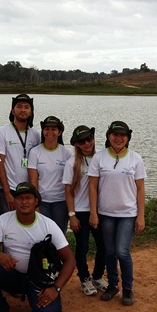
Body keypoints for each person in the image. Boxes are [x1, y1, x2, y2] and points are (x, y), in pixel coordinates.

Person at [0, 182, 76, 312]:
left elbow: (70, 260)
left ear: (36, 201)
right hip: (13, 274)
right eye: (19, 198)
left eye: (28, 197)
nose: (24, 201)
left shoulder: (48, 225)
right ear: (14, 201)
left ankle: (34, 299)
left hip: (38, 279)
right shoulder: (4, 220)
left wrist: (56, 288)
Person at [88, 121, 146, 306]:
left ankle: (128, 288)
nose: (118, 138)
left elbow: (140, 189)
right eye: (115, 134)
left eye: (122, 135)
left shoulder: (135, 159)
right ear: (108, 136)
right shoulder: (99, 157)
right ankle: (113, 285)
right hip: (106, 213)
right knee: (110, 251)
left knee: (122, 251)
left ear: (128, 137)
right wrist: (93, 213)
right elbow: (92, 185)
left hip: (128, 213)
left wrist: (141, 216)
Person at [62, 125, 107, 296]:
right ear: (77, 144)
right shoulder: (71, 163)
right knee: (82, 247)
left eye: (89, 139)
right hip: (80, 211)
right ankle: (84, 278)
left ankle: (97, 276)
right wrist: (72, 215)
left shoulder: (102, 157)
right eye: (82, 141)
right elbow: (68, 191)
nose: (87, 143)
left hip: (99, 210)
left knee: (103, 245)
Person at [0, 94, 41, 215]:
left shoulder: (35, 134)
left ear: (31, 112)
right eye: (19, 106)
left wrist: (34, 192)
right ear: (13, 111)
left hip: (28, 190)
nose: (23, 110)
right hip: (9, 189)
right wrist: (6, 192)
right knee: (8, 228)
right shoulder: (2, 132)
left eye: (26, 107)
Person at [28, 116, 73, 234]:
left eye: (53, 129)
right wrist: (35, 204)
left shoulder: (67, 153)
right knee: (43, 234)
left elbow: (71, 182)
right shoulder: (35, 152)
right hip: (42, 201)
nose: (50, 132)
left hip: (61, 202)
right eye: (46, 129)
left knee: (59, 234)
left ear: (60, 132)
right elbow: (33, 181)